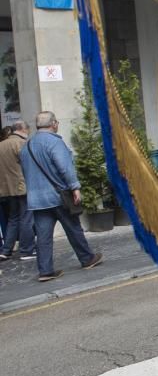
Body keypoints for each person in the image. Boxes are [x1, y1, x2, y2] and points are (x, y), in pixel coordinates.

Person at [20, 111, 102, 282]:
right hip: (57, 196)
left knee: (43, 237)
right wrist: (75, 187)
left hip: (37, 200)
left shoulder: (27, 146)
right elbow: (65, 168)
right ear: (54, 124)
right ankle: (87, 258)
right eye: (56, 122)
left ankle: (45, 271)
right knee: (74, 229)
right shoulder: (54, 143)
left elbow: (26, 172)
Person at [0, 120, 34, 261]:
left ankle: (6, 250)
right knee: (26, 218)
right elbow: (29, 165)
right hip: (22, 187)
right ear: (22, 129)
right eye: (28, 129)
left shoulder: (1, 145)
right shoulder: (21, 144)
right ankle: (26, 250)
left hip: (7, 188)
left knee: (13, 219)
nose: (28, 132)